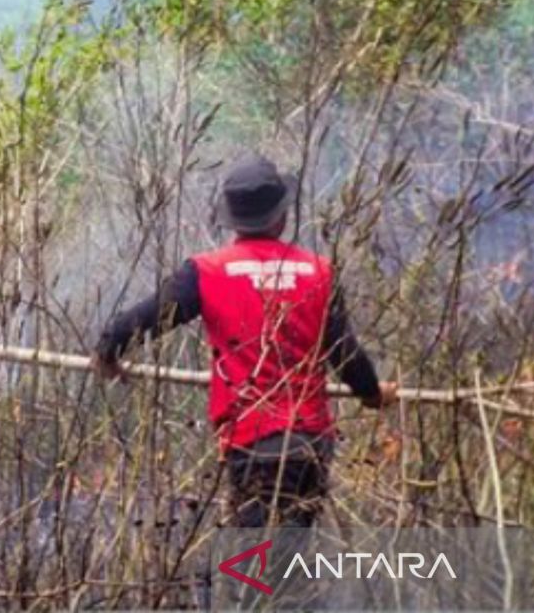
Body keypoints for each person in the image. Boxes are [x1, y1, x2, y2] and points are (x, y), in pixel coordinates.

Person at [93, 155, 397, 528]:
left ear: (233, 219)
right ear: (282, 216)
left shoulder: (206, 272)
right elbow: (344, 352)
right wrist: (371, 393)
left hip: (253, 444)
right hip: (310, 445)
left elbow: (143, 320)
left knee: (255, 568)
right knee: (289, 564)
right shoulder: (319, 272)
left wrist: (108, 353)